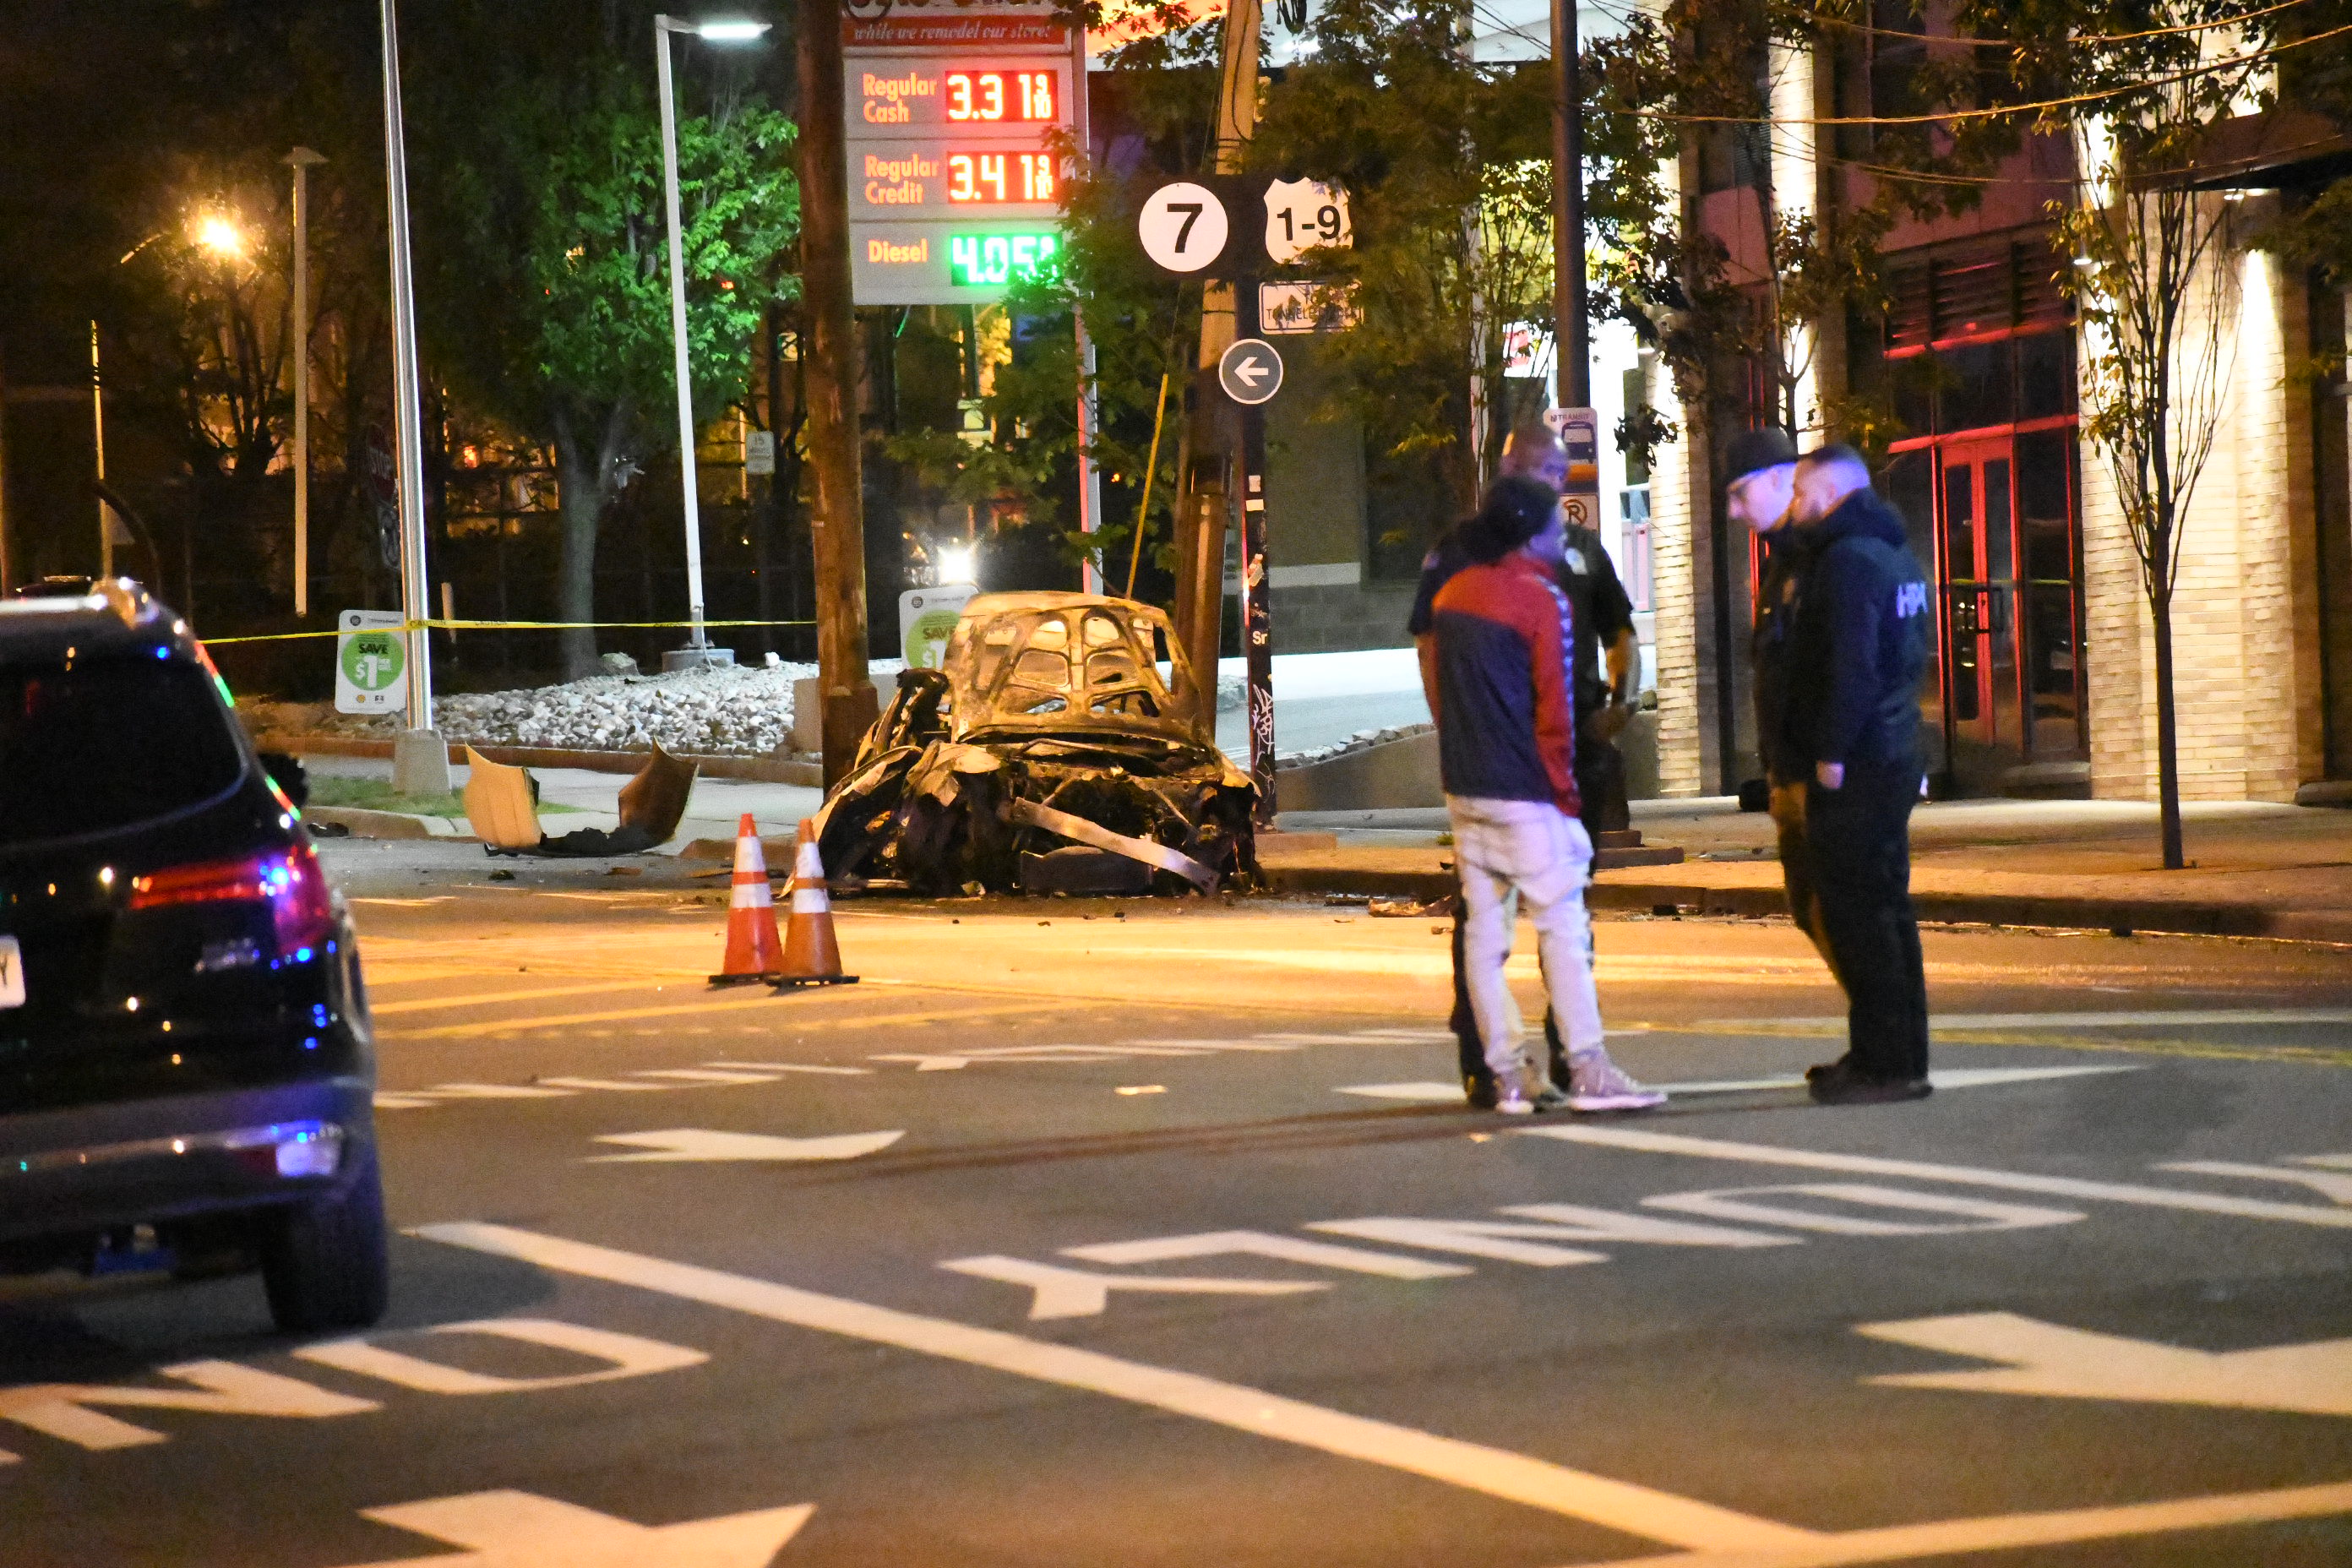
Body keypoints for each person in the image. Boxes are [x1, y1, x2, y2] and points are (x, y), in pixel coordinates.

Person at [1410, 426, 1642, 1107]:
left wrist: (1621, 702)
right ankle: (1540, 1061)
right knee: (1551, 920)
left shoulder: (1577, 552)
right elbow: (1435, 650)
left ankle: (1528, 1063)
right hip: (1533, 767)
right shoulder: (1482, 565)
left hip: (1523, 762)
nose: (1547, 478)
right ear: (1508, 470)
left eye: (1555, 468)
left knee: (1502, 927)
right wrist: (1461, 731)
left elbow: (1618, 626)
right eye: (1533, 467)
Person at [1778, 443, 1935, 1105]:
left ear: (1826, 494)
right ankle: (1898, 1054)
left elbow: (1853, 665)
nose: (1792, 507)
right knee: (1888, 910)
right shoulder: (1895, 553)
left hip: (1861, 759)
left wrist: (1830, 754)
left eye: (1797, 493)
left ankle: (1882, 1063)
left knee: (1857, 915)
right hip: (1897, 748)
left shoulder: (1844, 562)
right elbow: (1905, 658)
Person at [1723, 427, 1838, 978]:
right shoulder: (1784, 561)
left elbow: (1842, 666)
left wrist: (1823, 765)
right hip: (1794, 776)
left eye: (1739, 493)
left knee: (1842, 913)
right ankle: (1873, 1050)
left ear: (1777, 479)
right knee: (1810, 906)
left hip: (1824, 779)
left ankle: (1885, 1052)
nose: (1732, 510)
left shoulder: (1821, 557)